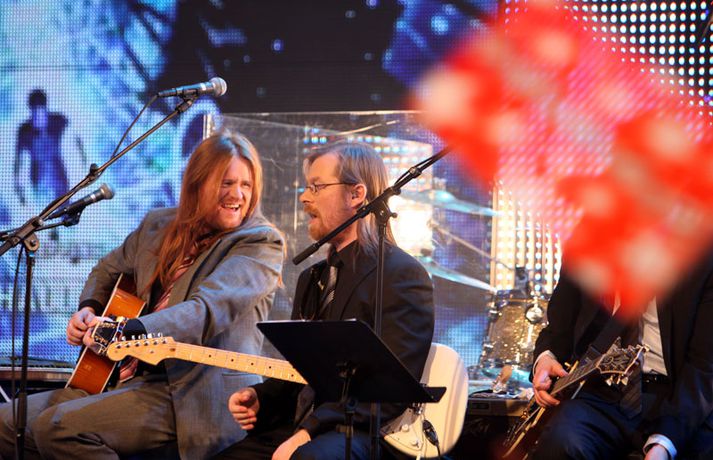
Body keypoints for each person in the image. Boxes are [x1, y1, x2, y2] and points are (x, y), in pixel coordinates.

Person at [0, 131, 285, 459]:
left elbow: (204, 311)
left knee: (58, 428)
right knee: (7, 422)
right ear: (197, 184)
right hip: (122, 379)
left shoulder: (259, 243)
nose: (237, 194)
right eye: (226, 183)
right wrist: (89, 309)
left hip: (192, 395)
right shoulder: (158, 224)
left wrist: (129, 331)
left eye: (246, 185)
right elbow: (107, 270)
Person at [215, 141, 435, 460]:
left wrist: (308, 432)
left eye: (316, 187)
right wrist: (263, 397)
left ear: (356, 194)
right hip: (310, 427)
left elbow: (390, 389)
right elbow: (302, 372)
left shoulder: (401, 275)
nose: (304, 197)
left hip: (364, 431)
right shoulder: (312, 278)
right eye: (307, 187)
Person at [528, 253, 713, 459]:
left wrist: (665, 442)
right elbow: (558, 329)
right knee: (560, 442)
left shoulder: (704, 255)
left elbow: (705, 366)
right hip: (602, 391)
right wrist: (546, 359)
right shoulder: (589, 245)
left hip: (679, 397)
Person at [14, 89, 70, 207]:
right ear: (31, 111)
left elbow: (76, 140)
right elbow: (19, 160)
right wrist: (18, 186)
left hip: (59, 176)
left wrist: (84, 162)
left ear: (45, 108)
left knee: (65, 208)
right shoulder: (24, 131)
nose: (38, 117)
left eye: (40, 112)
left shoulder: (58, 121)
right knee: (47, 212)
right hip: (39, 182)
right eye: (35, 113)